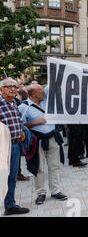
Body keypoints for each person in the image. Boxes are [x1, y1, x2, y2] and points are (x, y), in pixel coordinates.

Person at [19, 84, 67, 205]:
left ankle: (55, 190)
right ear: (34, 94)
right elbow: (20, 125)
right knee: (39, 167)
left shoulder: (46, 102)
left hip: (52, 137)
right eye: (41, 92)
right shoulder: (24, 107)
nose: (44, 94)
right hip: (37, 140)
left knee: (54, 165)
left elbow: (51, 86)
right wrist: (35, 122)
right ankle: (41, 193)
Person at [0, 78, 29, 215]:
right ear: (1, 89)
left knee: (12, 176)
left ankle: (10, 205)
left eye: (15, 86)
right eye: (8, 86)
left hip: (16, 145)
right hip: (3, 146)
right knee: (3, 176)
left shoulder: (14, 103)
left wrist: (22, 130)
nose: (12, 89)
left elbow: (17, 120)